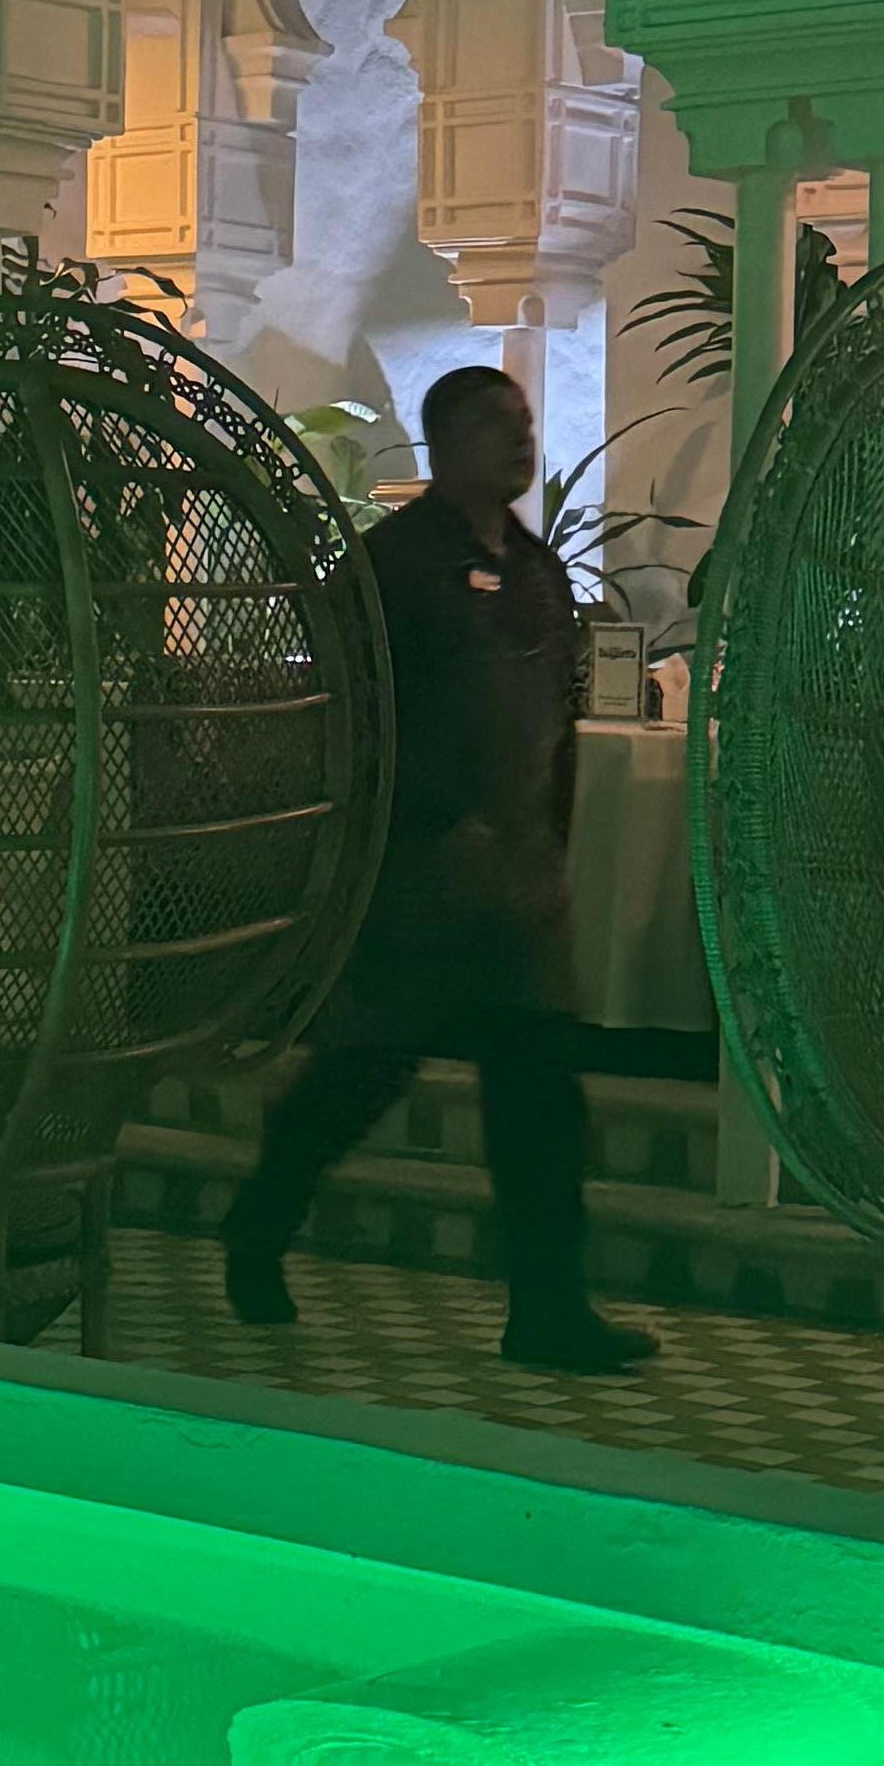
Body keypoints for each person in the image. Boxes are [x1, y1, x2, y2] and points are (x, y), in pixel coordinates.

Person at [223, 362, 652, 1377]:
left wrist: (546, 847)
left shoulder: (538, 572)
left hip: (520, 894)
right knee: (360, 1076)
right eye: (499, 423)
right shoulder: (393, 566)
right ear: (447, 442)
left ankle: (548, 1311)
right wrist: (423, 823)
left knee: (540, 1102)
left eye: (526, 420)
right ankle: (260, 1223)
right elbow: (351, 715)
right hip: (422, 885)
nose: (522, 437)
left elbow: (553, 726)